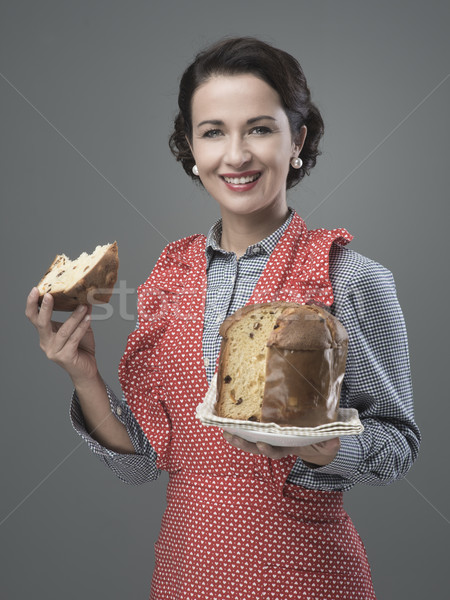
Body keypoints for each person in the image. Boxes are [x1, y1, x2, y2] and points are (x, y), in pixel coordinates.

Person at [26, 37, 420, 600]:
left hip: (308, 577)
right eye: (213, 132)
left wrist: (326, 445)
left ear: (297, 140)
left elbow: (397, 447)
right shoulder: (171, 274)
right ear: (191, 146)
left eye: (259, 129)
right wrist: (84, 374)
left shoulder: (351, 277)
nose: (236, 156)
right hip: (185, 576)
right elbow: (142, 463)